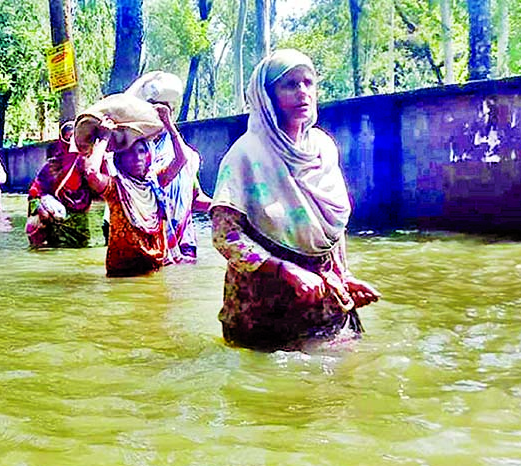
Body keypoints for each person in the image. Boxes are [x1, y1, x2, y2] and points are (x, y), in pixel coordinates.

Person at [210, 49, 381, 352]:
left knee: (337, 386)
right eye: (289, 85)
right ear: (267, 96)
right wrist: (282, 270)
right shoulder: (245, 155)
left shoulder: (323, 149)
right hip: (262, 307)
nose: (302, 92)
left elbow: (332, 228)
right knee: (269, 390)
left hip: (323, 298)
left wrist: (345, 276)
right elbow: (226, 237)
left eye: (308, 82)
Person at [80, 94, 191, 277]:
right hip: (122, 275)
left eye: (141, 152)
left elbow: (182, 159)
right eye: (130, 153)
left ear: (148, 155)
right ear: (120, 159)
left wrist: (169, 125)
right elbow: (91, 173)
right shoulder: (115, 188)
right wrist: (104, 138)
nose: (137, 158)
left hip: (155, 270)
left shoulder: (155, 182)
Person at [123, 71, 204, 264]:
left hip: (184, 243)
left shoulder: (189, 156)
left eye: (166, 109)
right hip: (150, 241)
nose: (161, 114)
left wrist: (229, 207)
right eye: (155, 109)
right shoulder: (137, 153)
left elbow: (194, 198)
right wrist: (143, 80)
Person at [26, 121, 94, 248]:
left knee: (79, 256)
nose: (73, 143)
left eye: (76, 138)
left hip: (79, 222)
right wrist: (40, 209)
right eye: (68, 138)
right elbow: (34, 192)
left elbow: (102, 191)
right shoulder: (52, 166)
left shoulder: (89, 163)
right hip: (54, 223)